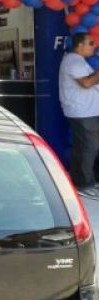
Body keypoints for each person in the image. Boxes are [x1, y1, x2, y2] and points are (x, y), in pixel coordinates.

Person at [59, 32, 99, 198]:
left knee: (81, 146)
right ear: (80, 45)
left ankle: (78, 180)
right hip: (83, 112)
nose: (94, 47)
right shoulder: (74, 61)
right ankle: (84, 184)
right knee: (89, 147)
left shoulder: (77, 61)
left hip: (84, 111)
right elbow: (87, 83)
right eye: (91, 43)